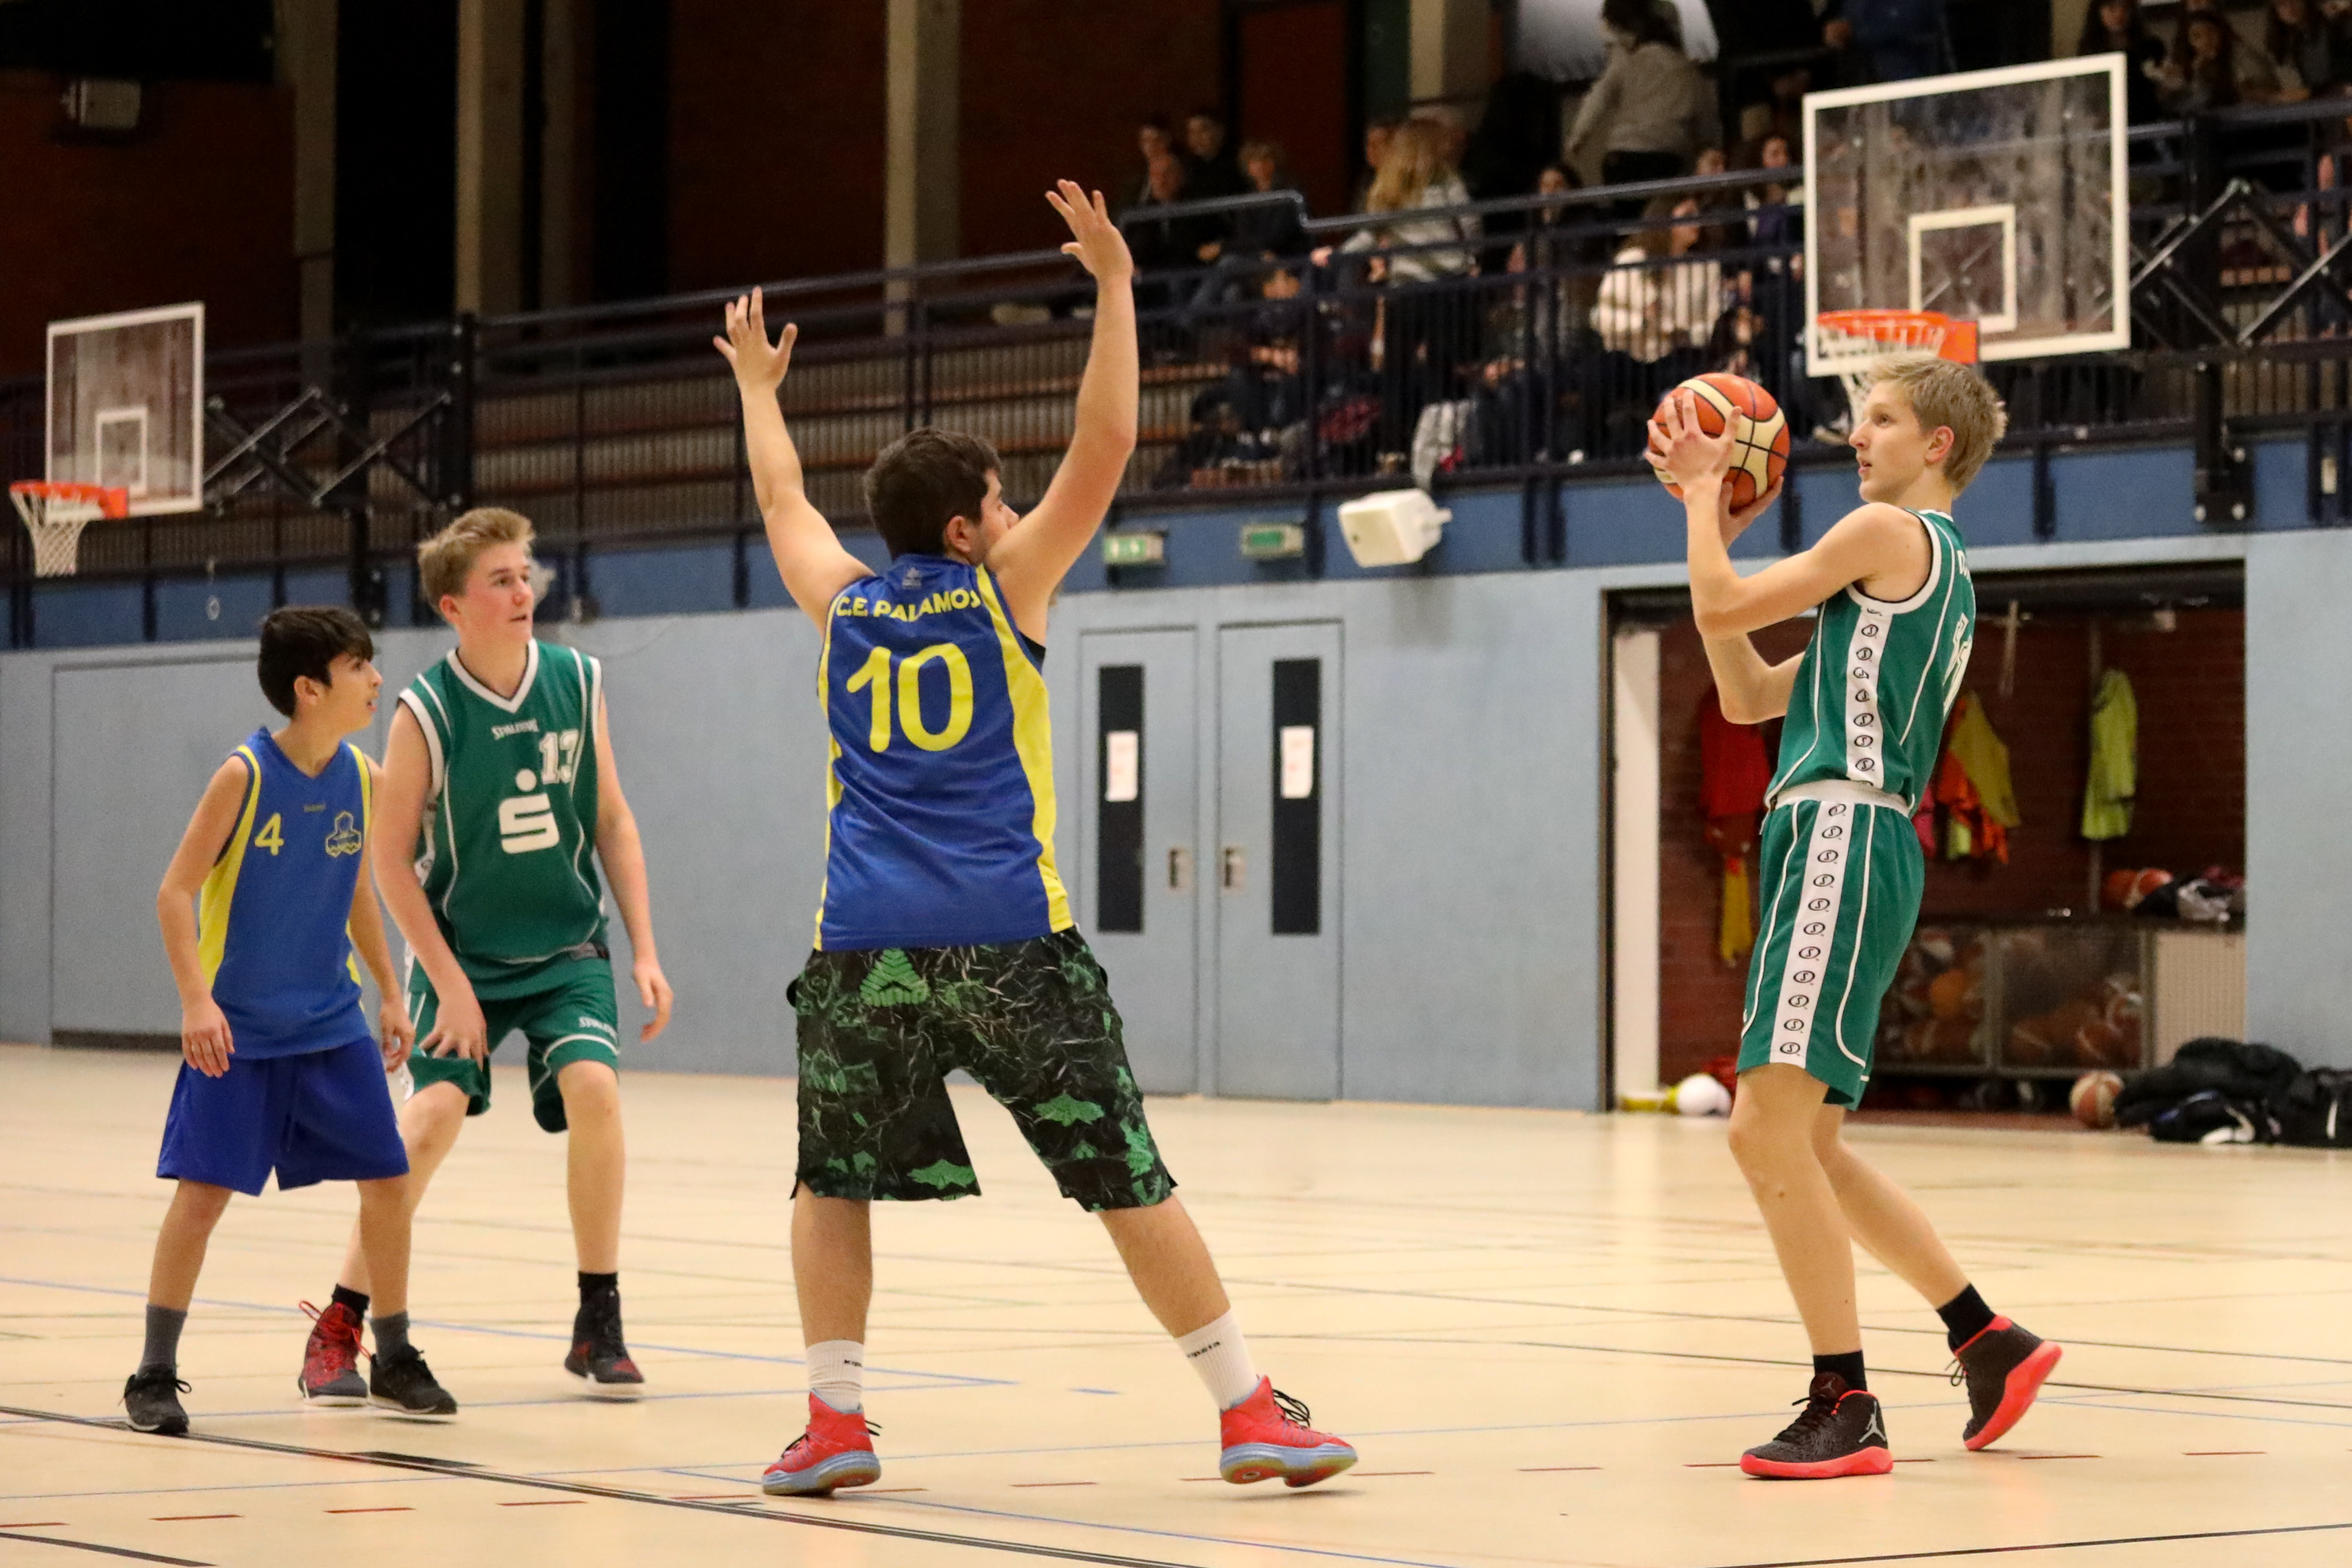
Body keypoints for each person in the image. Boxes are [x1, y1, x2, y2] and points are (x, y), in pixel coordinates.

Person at [715, 181, 1358, 1498]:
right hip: (1011, 940)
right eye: (1002, 504)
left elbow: (780, 496)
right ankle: (1246, 1410)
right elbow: (1107, 440)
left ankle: (834, 1422)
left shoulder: (840, 605)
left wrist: (758, 389)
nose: (1016, 517)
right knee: (1125, 1176)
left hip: (864, 948)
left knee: (831, 1181)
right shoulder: (1003, 592)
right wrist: (1116, 284)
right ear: (964, 530)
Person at [1650, 353, 2064, 1478]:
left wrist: (1700, 503)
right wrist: (1710, 529)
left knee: (1760, 1129)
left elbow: (1722, 602)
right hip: (1844, 839)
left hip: (1841, 829)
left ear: (1937, 445)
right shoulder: (1912, 581)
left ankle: (1845, 1399)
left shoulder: (1888, 535)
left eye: (1878, 418)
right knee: (1812, 1142)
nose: (1855, 436)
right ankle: (1984, 1334)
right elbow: (1743, 690)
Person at [298, 509, 675, 1404]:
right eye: (499, 580)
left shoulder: (578, 680)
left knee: (595, 1089)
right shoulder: (424, 712)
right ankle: (341, 1322)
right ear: (453, 606)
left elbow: (612, 818)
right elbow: (390, 862)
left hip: (566, 945)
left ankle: (598, 1317)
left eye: (524, 574)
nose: (521, 592)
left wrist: (646, 949)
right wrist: (450, 986)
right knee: (428, 1123)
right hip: (460, 952)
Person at [127, 607, 454, 1435]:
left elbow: (355, 889)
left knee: (388, 1179)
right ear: (310, 689)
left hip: (330, 1024)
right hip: (239, 1030)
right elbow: (174, 891)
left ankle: (394, 1353)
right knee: (202, 1197)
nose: (376, 679)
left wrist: (389, 990)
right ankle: (153, 1372)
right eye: (359, 666)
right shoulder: (243, 776)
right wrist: (196, 1000)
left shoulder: (363, 777)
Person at [1564, 0, 1721, 204]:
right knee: (1660, 219)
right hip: (1666, 157)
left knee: (1625, 220)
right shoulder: (1688, 71)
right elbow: (1706, 121)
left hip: (1622, 155)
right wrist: (1710, 148)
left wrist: (1577, 137)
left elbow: (1599, 96)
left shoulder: (1627, 60)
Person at [2076, 0, 2171, 124]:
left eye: (2126, 8)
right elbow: (2086, 96)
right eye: (2112, 8)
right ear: (2098, 11)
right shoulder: (2090, 53)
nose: (2119, 14)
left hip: (2148, 124)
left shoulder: (2151, 48)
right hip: (2109, 126)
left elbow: (2164, 94)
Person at [1821, 0, 1955, 87]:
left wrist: (1854, 32)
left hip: (1911, 79)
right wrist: (1837, 31)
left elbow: (1909, 22)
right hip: (1862, 84)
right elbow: (1846, 21)